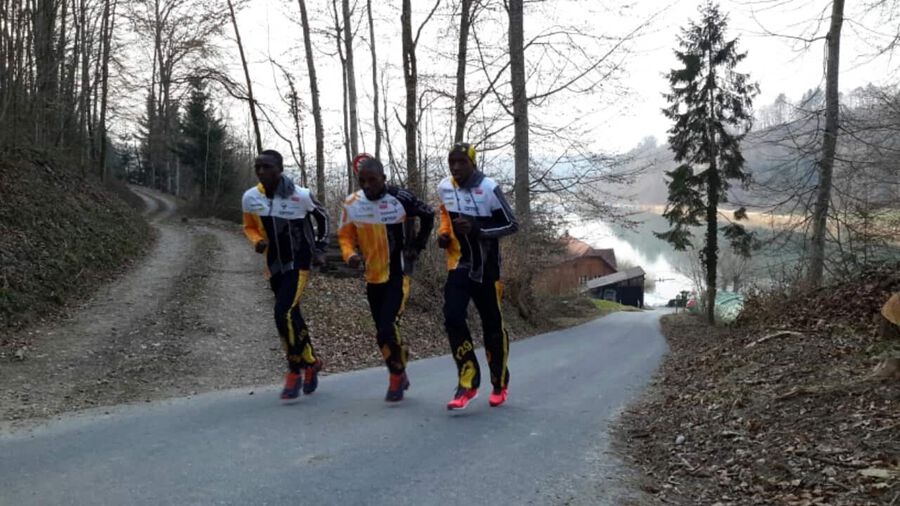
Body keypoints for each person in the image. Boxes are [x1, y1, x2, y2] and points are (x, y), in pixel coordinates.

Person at [338, 155, 434, 402]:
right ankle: (399, 361)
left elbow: (428, 214)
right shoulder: (352, 203)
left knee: (386, 329)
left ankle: (396, 376)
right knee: (382, 333)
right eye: (362, 181)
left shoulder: (401, 198)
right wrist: (350, 256)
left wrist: (417, 245)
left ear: (383, 178)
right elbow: (345, 237)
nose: (367, 185)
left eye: (372, 180)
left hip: (398, 273)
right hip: (372, 276)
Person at [242, 149, 330, 400]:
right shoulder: (250, 197)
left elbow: (323, 217)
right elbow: (249, 226)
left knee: (283, 313)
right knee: (293, 316)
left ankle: (294, 369)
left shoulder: (300, 195)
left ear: (279, 170)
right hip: (274, 266)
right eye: (258, 167)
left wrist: (320, 248)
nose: (261, 171)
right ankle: (311, 362)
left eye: (266, 167)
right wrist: (257, 241)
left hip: (299, 263)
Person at [437, 142, 519, 410]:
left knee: (492, 326)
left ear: (473, 163)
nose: (456, 167)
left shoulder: (489, 188)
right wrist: (444, 233)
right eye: (452, 162)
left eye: (462, 162)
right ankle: (468, 380)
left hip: (487, 268)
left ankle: (499, 381)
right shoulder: (445, 187)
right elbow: (445, 214)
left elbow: (511, 224)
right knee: (452, 317)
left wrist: (477, 229)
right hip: (460, 263)